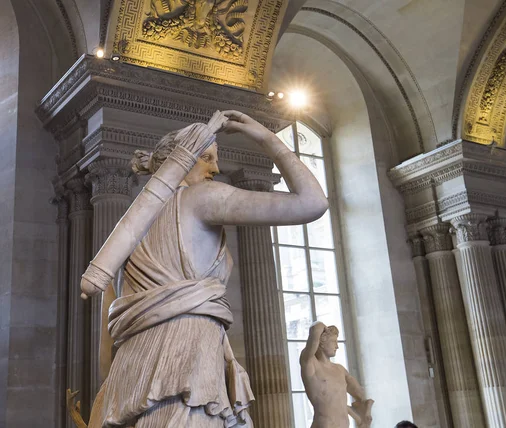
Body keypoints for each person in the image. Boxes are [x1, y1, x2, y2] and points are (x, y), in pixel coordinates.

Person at [78, 110, 329, 427]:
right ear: (181, 159)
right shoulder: (203, 197)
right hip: (186, 369)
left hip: (130, 380)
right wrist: (268, 139)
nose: (217, 168)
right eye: (206, 157)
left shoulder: (129, 233)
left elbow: (109, 336)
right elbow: (313, 202)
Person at [300, 322, 374, 428]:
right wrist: (324, 328)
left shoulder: (340, 369)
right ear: (321, 342)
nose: (337, 346)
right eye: (334, 341)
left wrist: (361, 414)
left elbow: (356, 395)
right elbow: (316, 329)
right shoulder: (311, 364)